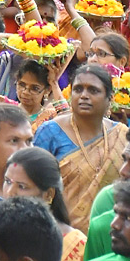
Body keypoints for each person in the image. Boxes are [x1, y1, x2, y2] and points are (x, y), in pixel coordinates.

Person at [33, 63, 128, 231]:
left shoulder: (122, 135)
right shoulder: (50, 132)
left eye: (93, 90)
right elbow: (33, 186)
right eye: (78, 89)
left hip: (110, 233)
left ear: (110, 98)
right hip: (58, 234)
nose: (84, 95)